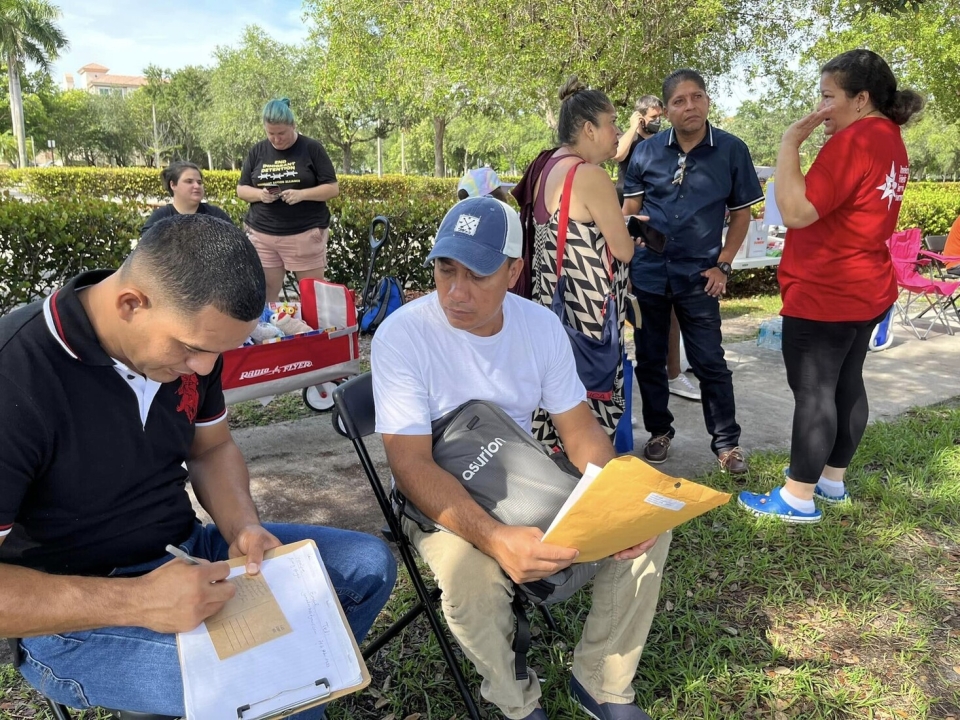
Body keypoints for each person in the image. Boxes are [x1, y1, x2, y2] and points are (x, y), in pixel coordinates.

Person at [0, 214, 396, 717]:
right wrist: (139, 602)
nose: (206, 369)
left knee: (368, 566)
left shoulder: (192, 342)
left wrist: (243, 527)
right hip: (71, 615)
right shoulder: (16, 375)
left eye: (219, 353)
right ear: (130, 304)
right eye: (193, 350)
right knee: (276, 679)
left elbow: (211, 449)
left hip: (185, 554)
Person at [371, 196, 670, 720]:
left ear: (513, 272)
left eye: (478, 275)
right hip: (440, 492)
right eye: (445, 270)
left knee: (647, 526)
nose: (455, 293)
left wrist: (618, 498)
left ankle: (602, 682)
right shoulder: (403, 335)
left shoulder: (539, 327)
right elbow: (411, 466)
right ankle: (516, 703)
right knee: (471, 576)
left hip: (522, 473)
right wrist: (493, 538)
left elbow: (579, 432)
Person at [739, 49, 923, 522]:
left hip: (826, 289)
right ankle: (830, 480)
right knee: (846, 383)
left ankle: (797, 496)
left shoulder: (853, 141)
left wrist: (787, 143)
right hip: (865, 285)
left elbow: (798, 211)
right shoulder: (890, 139)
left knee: (815, 392)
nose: (820, 109)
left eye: (827, 98)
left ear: (860, 100)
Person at [622, 69, 763, 473]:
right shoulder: (645, 153)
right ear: (665, 111)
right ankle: (659, 433)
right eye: (680, 101)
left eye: (697, 97)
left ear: (707, 101)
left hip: (700, 276)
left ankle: (727, 445)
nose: (690, 107)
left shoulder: (732, 150)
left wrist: (724, 264)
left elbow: (741, 214)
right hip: (649, 272)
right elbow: (630, 213)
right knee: (649, 360)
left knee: (709, 362)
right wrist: (629, 248)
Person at [525, 76, 636, 443]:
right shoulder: (589, 175)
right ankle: (586, 481)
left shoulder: (545, 168)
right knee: (587, 410)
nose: (618, 131)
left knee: (553, 393)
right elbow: (623, 250)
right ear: (589, 129)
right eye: (612, 122)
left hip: (550, 307)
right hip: (587, 313)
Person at [613, 95, 701, 404]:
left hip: (662, 233)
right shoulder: (632, 139)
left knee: (671, 308)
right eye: (651, 115)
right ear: (640, 116)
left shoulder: (666, 143)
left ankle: (674, 372)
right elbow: (617, 154)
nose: (657, 119)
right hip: (632, 227)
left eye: (658, 115)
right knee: (639, 312)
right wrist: (633, 128)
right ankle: (638, 381)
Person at [237, 98, 339, 302]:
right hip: (263, 234)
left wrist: (302, 194)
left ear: (293, 125)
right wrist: (260, 195)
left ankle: (313, 334)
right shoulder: (258, 151)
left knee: (313, 297)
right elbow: (241, 189)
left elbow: (332, 188)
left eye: (281, 133)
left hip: (303, 233)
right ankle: (267, 332)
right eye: (270, 134)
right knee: (264, 295)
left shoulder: (312, 148)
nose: (276, 139)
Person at [141, 161, 233, 234]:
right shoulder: (160, 217)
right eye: (189, 181)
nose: (197, 186)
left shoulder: (215, 215)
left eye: (199, 182)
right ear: (173, 185)